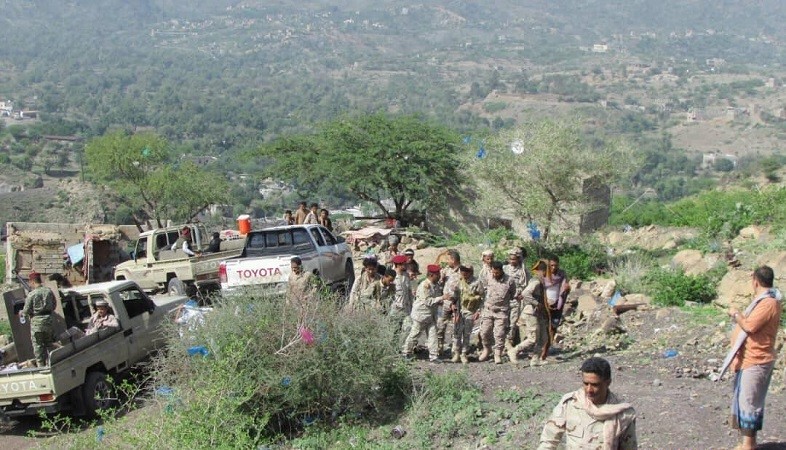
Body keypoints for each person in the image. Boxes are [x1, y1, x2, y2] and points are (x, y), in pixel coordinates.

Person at [721, 265, 782, 450]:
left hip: (757, 360)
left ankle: (749, 444)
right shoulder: (763, 301)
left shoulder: (768, 303)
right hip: (748, 359)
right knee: (743, 400)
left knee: (749, 402)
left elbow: (750, 326)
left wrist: (736, 314)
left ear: (755, 281)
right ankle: (746, 442)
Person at [539, 357, 637, 449]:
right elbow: (548, 441)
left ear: (608, 383)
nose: (589, 390)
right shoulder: (570, 403)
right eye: (586, 384)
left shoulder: (623, 414)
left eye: (595, 385)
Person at [510, 259, 551, 366]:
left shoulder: (542, 282)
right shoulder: (536, 282)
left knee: (543, 338)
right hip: (531, 313)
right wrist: (536, 303)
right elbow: (525, 294)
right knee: (533, 338)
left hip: (539, 313)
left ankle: (535, 359)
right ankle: (514, 351)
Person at [402, 264, 444, 363]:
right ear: (431, 275)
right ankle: (406, 352)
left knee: (433, 335)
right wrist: (441, 298)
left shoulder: (436, 285)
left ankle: (433, 356)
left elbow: (435, 298)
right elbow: (428, 301)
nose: (439, 276)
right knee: (414, 334)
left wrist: (440, 301)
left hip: (431, 315)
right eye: (437, 274)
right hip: (421, 315)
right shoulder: (424, 286)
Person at [477, 261, 516, 364]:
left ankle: (497, 354)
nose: (495, 274)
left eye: (497, 273)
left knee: (499, 334)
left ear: (501, 270)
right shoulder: (488, 277)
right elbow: (482, 291)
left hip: (501, 312)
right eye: (493, 272)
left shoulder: (509, 280)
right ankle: (487, 349)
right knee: (484, 332)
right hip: (488, 310)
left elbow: (513, 294)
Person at [20, 271, 56, 367]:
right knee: (50, 344)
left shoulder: (32, 294)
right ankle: (53, 363)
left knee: (38, 346)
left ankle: (41, 368)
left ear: (32, 281)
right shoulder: (48, 291)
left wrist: (21, 312)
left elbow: (26, 311)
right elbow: (54, 305)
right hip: (49, 322)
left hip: (37, 324)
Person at [451, 265, 482, 364]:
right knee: (457, 332)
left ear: (470, 272)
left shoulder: (477, 282)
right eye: (462, 270)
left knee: (467, 333)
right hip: (459, 311)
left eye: (466, 271)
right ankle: (456, 353)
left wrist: (478, 311)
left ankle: (464, 354)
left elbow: (482, 297)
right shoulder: (458, 281)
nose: (464, 273)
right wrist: (453, 305)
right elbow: (454, 296)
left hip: (470, 311)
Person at [503, 248, 529, 350]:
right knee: (503, 320)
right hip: (504, 299)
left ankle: (509, 341)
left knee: (513, 321)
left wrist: (522, 294)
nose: (512, 261)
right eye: (510, 259)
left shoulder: (523, 271)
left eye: (514, 259)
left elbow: (526, 285)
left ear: (518, 259)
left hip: (516, 299)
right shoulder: (504, 269)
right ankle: (501, 342)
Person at [438, 249, 461, 356]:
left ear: (453, 260)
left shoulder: (462, 271)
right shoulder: (446, 270)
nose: (447, 262)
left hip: (457, 303)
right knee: (441, 325)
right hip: (445, 303)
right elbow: (439, 284)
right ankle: (439, 347)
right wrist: (441, 279)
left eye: (448, 260)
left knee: (456, 327)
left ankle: (455, 350)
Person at [389, 254, 413, 345]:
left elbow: (409, 291)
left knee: (409, 327)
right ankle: (394, 348)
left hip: (406, 308)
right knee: (394, 331)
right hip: (396, 309)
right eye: (404, 264)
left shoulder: (406, 275)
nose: (406, 265)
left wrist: (412, 305)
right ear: (398, 265)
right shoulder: (391, 276)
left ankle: (401, 346)